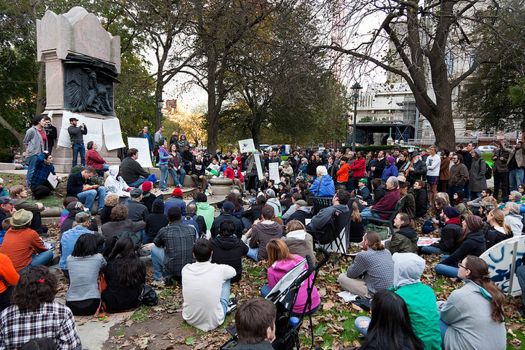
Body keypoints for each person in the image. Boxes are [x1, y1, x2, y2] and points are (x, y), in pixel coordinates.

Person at [355, 253, 441, 350]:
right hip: (434, 345)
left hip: (408, 343)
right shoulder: (428, 290)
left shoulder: (398, 297)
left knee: (360, 321)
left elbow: (384, 323)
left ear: (400, 271)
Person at [0, 266, 81, 349]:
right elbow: (70, 345)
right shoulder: (62, 312)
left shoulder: (5, 315)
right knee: (77, 345)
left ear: (18, 289)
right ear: (50, 288)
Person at [439, 256, 506, 350]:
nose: (458, 267)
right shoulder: (494, 293)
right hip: (498, 346)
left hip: (472, 347)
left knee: (433, 319)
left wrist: (437, 306)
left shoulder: (460, 295)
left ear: (467, 272)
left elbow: (445, 318)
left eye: (460, 265)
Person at [182, 238, 236, 331]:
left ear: (193, 254)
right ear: (211, 253)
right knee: (227, 279)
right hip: (215, 320)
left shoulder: (186, 269)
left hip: (190, 318)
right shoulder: (219, 269)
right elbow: (233, 272)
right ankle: (225, 306)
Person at [261, 239, 320, 316]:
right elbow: (311, 277)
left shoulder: (272, 271)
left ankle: (278, 312)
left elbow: (274, 293)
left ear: (270, 254)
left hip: (296, 309)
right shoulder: (299, 259)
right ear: (286, 248)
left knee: (264, 290)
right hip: (314, 301)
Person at [354, 290, 424, 350]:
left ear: (379, 315)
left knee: (360, 321)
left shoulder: (373, 345)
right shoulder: (412, 341)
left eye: (372, 304)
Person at [337, 231, 394, 298]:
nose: (361, 242)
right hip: (391, 291)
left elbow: (350, 274)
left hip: (375, 294)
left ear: (366, 242)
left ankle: (368, 296)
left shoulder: (363, 255)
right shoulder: (387, 252)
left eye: (362, 239)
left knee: (341, 277)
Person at [152, 206, 195, 284]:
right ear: (181, 217)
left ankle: (158, 278)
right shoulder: (191, 229)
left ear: (168, 218)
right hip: (189, 267)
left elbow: (157, 244)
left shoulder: (164, 230)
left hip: (172, 268)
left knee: (153, 249)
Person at [65, 234, 106, 315]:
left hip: (71, 305)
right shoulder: (98, 257)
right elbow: (105, 266)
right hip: (92, 304)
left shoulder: (69, 259)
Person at [102, 237, 146, 312]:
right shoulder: (139, 263)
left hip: (113, 303)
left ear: (117, 248)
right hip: (134, 301)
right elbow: (142, 281)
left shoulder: (111, 264)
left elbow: (107, 281)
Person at [23, 115, 46, 187]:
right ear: (38, 121)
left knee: (39, 169)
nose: (45, 122)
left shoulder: (43, 130)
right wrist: (30, 150)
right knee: (32, 170)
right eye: (43, 121)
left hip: (41, 153)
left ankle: (36, 184)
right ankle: (29, 185)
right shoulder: (31, 130)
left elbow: (44, 142)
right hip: (33, 154)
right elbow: (25, 142)